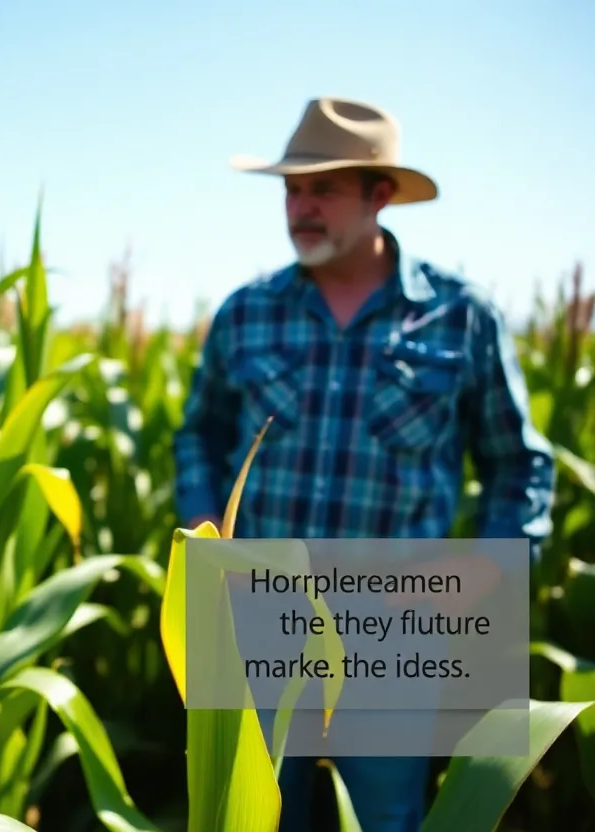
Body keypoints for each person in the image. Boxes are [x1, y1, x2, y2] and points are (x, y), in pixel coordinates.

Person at [172, 97, 556, 831]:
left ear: (381, 195)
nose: (299, 207)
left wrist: (476, 577)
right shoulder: (246, 313)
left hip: (394, 640)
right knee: (249, 820)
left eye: (323, 189)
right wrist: (201, 527)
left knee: (384, 821)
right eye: (291, 188)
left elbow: (520, 466)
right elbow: (199, 435)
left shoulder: (461, 317)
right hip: (254, 628)